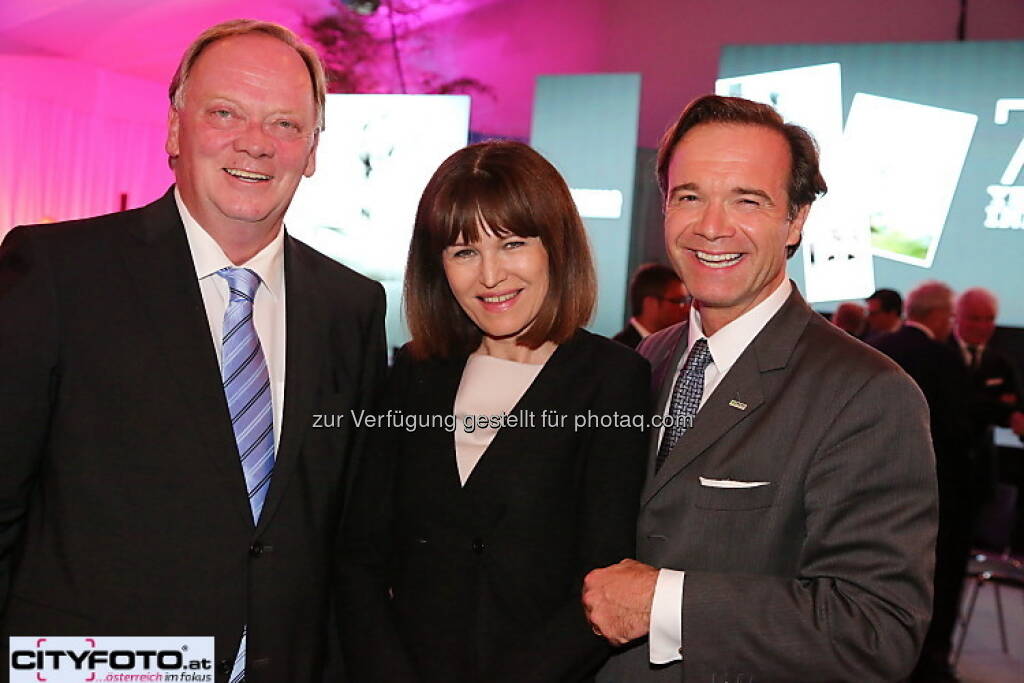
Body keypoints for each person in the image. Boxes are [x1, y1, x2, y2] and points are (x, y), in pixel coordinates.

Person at [0, 20, 386, 683]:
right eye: (225, 112)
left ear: (313, 150)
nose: (256, 143)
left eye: (286, 124)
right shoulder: (59, 274)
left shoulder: (351, 308)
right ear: (176, 129)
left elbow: (348, 529)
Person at [583, 95, 937, 681]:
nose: (711, 226)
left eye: (747, 200)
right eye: (689, 197)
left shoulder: (868, 393)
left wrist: (665, 603)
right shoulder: (649, 357)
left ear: (796, 220)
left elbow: (876, 629)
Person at [337, 141, 649, 683]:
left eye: (511, 244)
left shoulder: (613, 380)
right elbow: (359, 556)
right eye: (463, 252)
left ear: (555, 246)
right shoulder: (415, 371)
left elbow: (602, 580)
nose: (489, 276)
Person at [871, 281, 971, 682]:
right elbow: (958, 430)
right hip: (935, 495)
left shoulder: (877, 348)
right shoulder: (942, 359)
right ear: (939, 315)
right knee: (931, 582)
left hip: (872, 490)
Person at [613, 263, 690, 348]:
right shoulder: (619, 350)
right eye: (678, 301)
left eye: (686, 301)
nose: (687, 309)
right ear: (650, 304)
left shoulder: (673, 347)